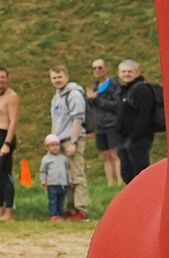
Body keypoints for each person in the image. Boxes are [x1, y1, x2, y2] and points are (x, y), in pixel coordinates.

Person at [47, 64, 91, 218]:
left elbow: (78, 119)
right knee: (67, 177)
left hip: (72, 139)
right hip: (60, 140)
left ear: (66, 77)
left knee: (77, 175)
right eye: (54, 78)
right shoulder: (57, 96)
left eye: (60, 77)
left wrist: (73, 142)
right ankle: (71, 208)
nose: (57, 80)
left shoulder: (74, 94)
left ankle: (81, 209)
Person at [115, 59, 161, 183]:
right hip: (125, 140)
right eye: (123, 71)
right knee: (127, 176)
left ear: (137, 73)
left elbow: (145, 115)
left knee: (141, 176)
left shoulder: (142, 89)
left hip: (138, 139)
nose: (126, 74)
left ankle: (147, 200)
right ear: (119, 73)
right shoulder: (125, 90)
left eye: (130, 71)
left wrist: (135, 137)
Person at [0, 65, 21, 220]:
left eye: (2, 77)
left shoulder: (12, 96)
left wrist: (6, 144)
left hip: (5, 136)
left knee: (5, 175)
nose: (0, 80)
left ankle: (9, 212)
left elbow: (13, 122)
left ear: (7, 78)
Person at [88, 57, 123, 188]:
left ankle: (120, 181)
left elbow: (116, 105)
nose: (97, 70)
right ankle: (110, 183)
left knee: (115, 153)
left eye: (100, 68)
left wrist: (97, 100)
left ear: (106, 69)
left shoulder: (114, 85)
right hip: (99, 125)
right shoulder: (95, 87)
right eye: (94, 68)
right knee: (105, 155)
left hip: (112, 124)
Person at [40, 135, 73, 219]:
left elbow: (67, 170)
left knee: (61, 200)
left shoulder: (63, 158)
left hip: (63, 184)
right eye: (52, 145)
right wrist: (43, 181)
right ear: (47, 147)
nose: (55, 148)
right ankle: (54, 214)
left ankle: (60, 214)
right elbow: (43, 171)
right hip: (52, 184)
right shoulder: (46, 159)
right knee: (53, 200)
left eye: (57, 145)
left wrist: (69, 180)